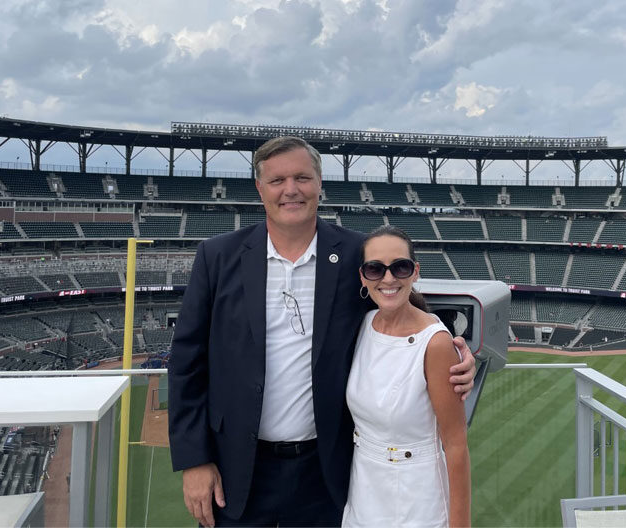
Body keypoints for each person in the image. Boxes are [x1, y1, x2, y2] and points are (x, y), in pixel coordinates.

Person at [168, 136, 476, 527]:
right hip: (235, 469)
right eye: (277, 180)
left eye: (302, 177)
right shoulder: (218, 256)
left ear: (319, 184)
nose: (291, 190)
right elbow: (186, 363)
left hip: (325, 470)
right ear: (260, 188)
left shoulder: (354, 255)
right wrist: (195, 460)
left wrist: (458, 352)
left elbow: (403, 309)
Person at [343, 226, 470, 527]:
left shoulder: (436, 343)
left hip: (417, 498)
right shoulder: (363, 323)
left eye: (400, 267)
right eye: (375, 269)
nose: (388, 279)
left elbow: (455, 444)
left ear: (415, 272)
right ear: (363, 276)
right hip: (362, 489)